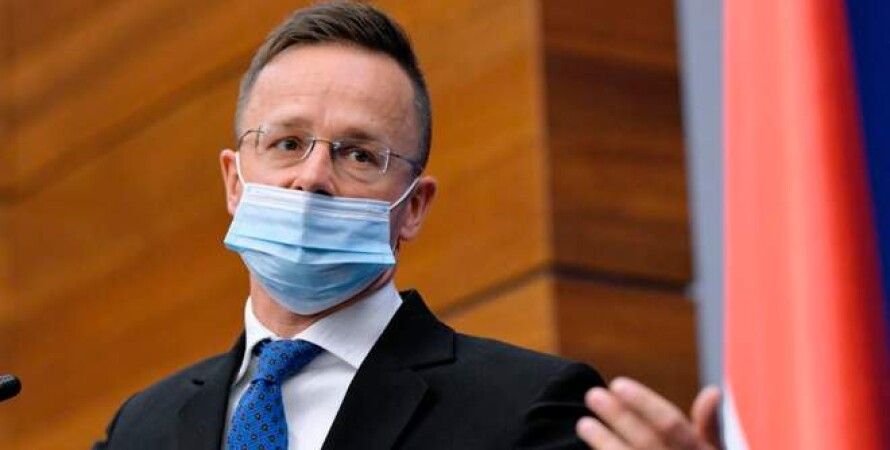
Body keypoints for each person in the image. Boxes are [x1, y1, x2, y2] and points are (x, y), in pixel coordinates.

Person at [93, 2, 721, 449]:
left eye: (359, 155)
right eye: (286, 143)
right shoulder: (140, 430)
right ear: (235, 181)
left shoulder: (528, 408)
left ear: (413, 206)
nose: (312, 177)